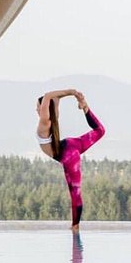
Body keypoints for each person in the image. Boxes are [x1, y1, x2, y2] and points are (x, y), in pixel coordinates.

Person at [36, 89, 106, 232]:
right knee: (100, 130)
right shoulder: (53, 115)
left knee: (75, 191)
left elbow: (49, 96)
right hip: (71, 144)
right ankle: (85, 107)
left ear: (44, 107)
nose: (36, 109)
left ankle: (75, 226)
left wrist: (72, 91)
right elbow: (54, 97)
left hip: (68, 154)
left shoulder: (44, 122)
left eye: (38, 106)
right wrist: (73, 96)